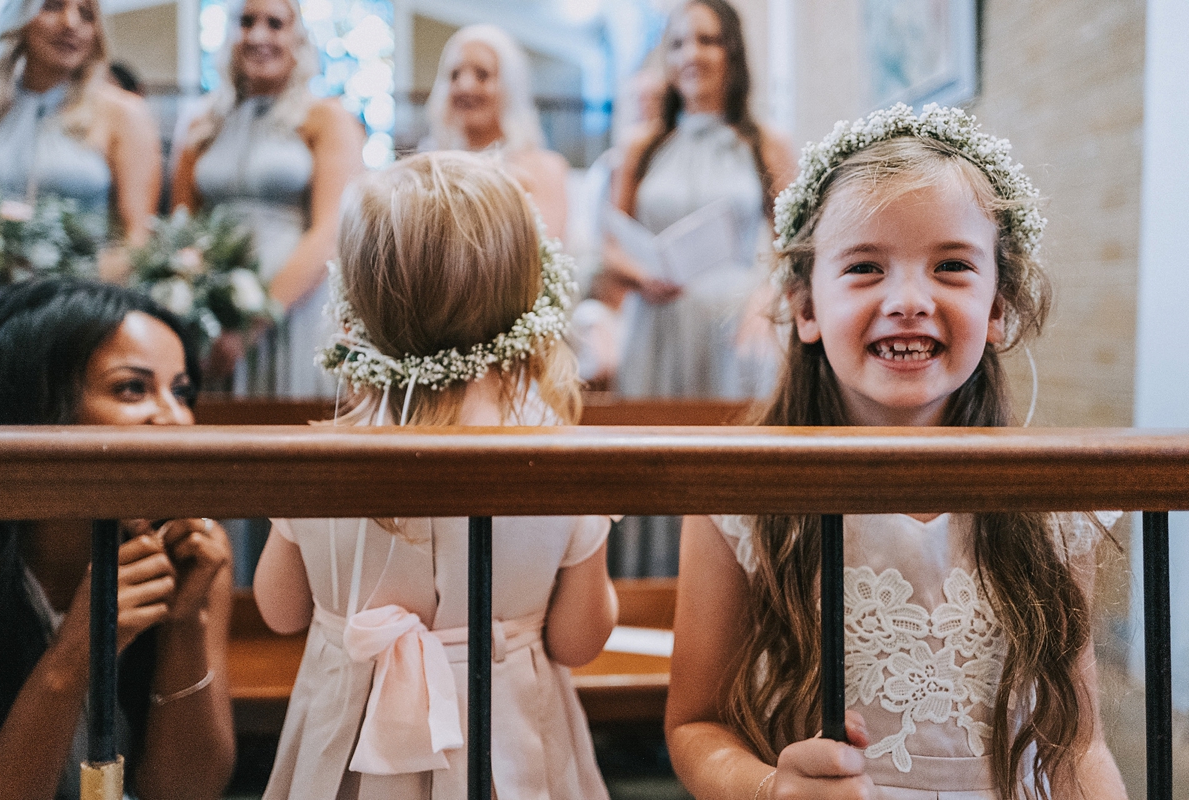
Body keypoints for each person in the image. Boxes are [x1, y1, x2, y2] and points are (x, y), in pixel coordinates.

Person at [665, 104, 1127, 800]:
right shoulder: (740, 496)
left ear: (998, 308)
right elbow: (695, 724)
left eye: (950, 265)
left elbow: (1078, 744)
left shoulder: (1052, 502)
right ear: (806, 307)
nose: (908, 300)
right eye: (864, 268)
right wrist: (769, 788)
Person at [253, 151, 618, 800]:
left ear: (358, 304)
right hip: (504, 742)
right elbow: (580, 638)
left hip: (351, 742)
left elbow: (280, 611)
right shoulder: (558, 460)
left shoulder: (317, 461)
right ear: (522, 299)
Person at [0, 278, 235, 800]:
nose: (174, 417)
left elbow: (186, 792)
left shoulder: (191, 549)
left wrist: (186, 624)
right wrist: (79, 650)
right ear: (36, 407)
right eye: (133, 388)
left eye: (183, 391)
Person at [172, 0, 364, 396]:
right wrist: (199, 308)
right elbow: (181, 226)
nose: (258, 35)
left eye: (274, 23)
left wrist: (255, 322)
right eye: (246, 22)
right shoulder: (200, 122)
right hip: (214, 315)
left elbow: (331, 231)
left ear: (298, 39)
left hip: (295, 307)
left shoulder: (326, 118)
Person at [607, 0, 796, 400]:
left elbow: (793, 243)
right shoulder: (639, 147)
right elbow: (609, 242)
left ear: (733, 51)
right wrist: (642, 276)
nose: (691, 54)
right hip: (657, 323)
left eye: (707, 40)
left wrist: (766, 299)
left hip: (735, 326)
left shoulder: (766, 144)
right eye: (677, 44)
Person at [0, 0, 161, 267]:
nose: (71, 24)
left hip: (78, 294)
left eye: (86, 14)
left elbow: (137, 240)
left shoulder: (123, 113)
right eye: (53, 6)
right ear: (20, 18)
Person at [424, 24, 570, 240]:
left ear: (510, 86)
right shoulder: (427, 164)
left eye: (482, 75)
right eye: (454, 75)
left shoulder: (544, 169)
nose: (464, 86)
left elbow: (545, 251)